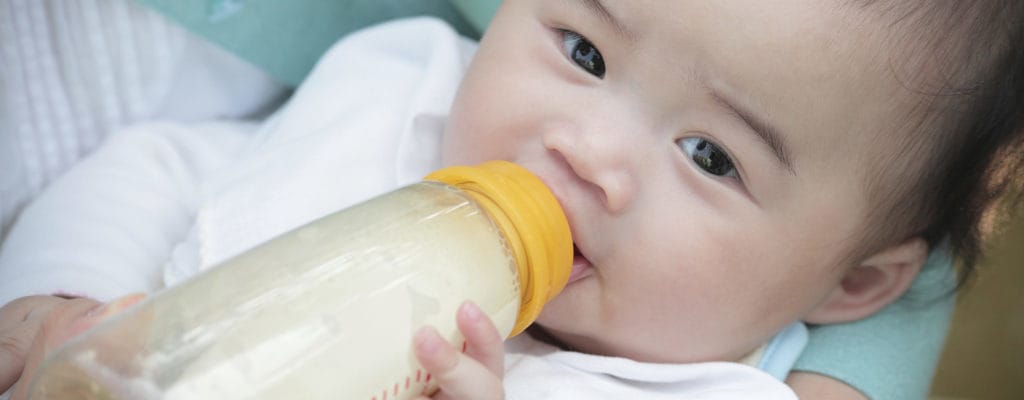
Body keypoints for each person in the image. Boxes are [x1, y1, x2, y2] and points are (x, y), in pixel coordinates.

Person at [1, 0, 1022, 398]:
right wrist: (64, 289)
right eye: (581, 51)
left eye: (710, 156)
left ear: (850, 282)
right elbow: (163, 168)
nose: (586, 153)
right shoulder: (402, 96)